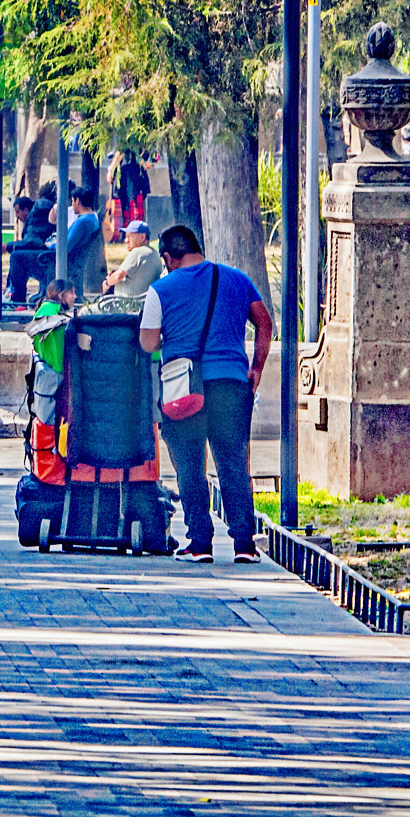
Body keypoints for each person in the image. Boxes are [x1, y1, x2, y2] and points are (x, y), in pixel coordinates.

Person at [139, 226, 273, 564]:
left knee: (189, 465)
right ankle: (244, 545)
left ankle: (200, 543)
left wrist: (171, 338)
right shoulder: (238, 279)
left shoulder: (160, 289)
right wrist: (257, 366)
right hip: (231, 384)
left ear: (168, 258)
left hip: (184, 388)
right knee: (234, 464)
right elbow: (264, 323)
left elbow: (148, 343)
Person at [105, 220, 162, 299]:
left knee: (88, 307)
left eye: (130, 236)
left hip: (127, 302)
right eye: (126, 237)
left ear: (142, 237)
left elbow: (118, 275)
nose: (126, 240)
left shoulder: (138, 252)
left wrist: (106, 283)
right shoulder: (155, 254)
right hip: (145, 301)